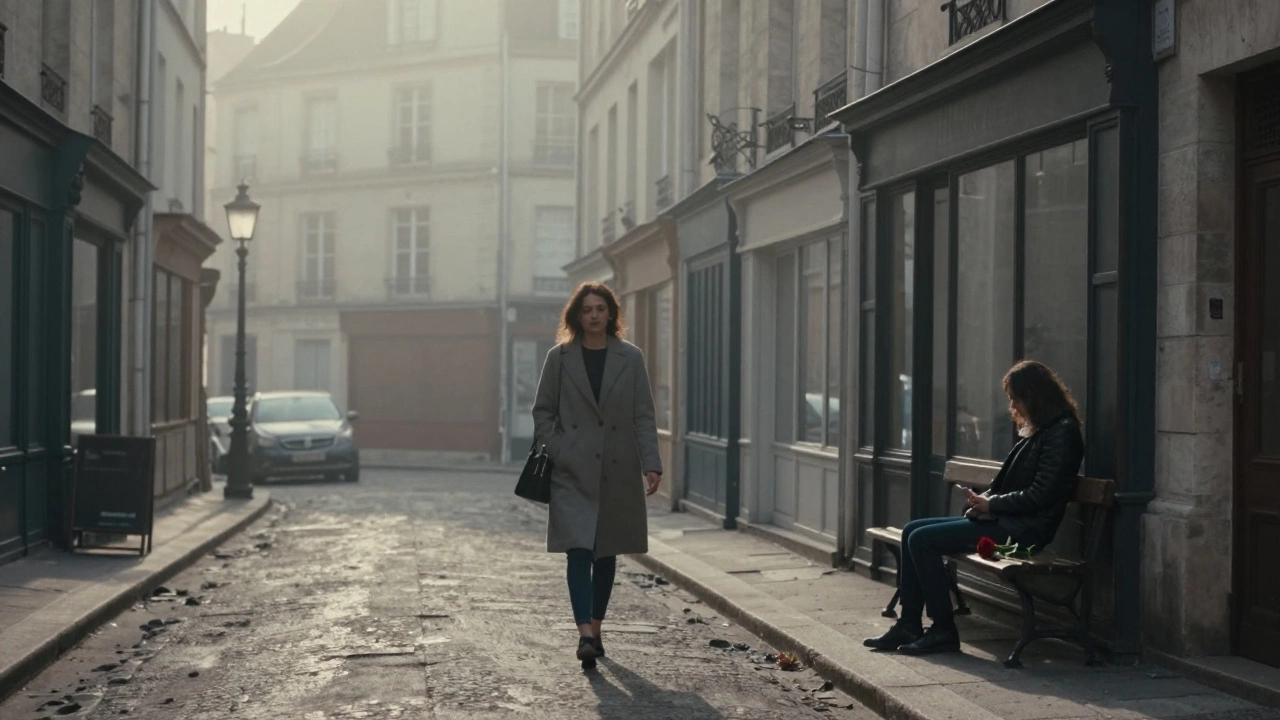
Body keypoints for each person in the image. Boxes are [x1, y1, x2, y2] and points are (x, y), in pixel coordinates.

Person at [864, 360, 1085, 656]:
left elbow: (1041, 495)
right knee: (911, 531)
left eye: (1014, 397)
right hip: (1009, 522)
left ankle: (943, 629)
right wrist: (985, 501)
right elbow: (1014, 483)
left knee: (921, 540)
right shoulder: (1043, 429)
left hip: (1024, 532)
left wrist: (992, 503)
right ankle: (909, 624)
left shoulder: (1062, 433)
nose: (1013, 406)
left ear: (1032, 395)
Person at [532, 281, 663, 669]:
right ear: (576, 315)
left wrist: (651, 462)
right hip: (572, 470)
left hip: (618, 469)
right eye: (586, 309)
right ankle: (584, 634)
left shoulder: (630, 357)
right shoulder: (560, 357)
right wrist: (560, 449)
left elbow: (643, 414)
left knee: (606, 552)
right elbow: (543, 413)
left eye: (600, 309)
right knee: (578, 549)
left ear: (610, 314)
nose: (593, 315)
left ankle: (597, 627)